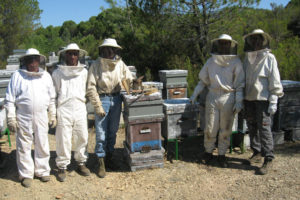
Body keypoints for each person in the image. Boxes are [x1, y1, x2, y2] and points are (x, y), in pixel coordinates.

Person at [190, 34, 245, 167]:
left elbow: (239, 84)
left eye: (226, 43)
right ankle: (208, 152)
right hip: (213, 96)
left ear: (230, 45)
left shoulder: (236, 62)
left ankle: (222, 155)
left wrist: (238, 101)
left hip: (228, 96)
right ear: (217, 45)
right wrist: (194, 94)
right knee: (210, 127)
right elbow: (203, 81)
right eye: (221, 43)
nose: (223, 45)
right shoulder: (210, 61)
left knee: (225, 128)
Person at [5, 48, 56, 188]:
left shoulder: (45, 76)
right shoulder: (17, 76)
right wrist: (11, 117)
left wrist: (52, 113)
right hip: (23, 115)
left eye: (35, 59)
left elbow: (52, 98)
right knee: (24, 145)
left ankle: (43, 170)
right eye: (30, 59)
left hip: (41, 115)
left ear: (39, 60)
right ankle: (26, 174)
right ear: (25, 61)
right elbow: (9, 99)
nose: (33, 62)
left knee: (42, 142)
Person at [87, 38, 133, 178]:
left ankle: (109, 159)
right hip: (102, 99)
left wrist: (130, 84)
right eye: (106, 49)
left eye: (112, 49)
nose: (109, 51)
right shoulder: (95, 65)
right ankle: (100, 162)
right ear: (102, 50)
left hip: (117, 99)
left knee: (113, 131)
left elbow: (129, 78)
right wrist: (97, 105)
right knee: (101, 133)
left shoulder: (120, 64)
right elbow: (90, 87)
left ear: (115, 50)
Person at [243, 29, 283, 175]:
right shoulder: (247, 58)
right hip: (249, 99)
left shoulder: (270, 58)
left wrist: (274, 100)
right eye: (253, 39)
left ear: (263, 41)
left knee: (264, 129)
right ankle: (257, 151)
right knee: (252, 127)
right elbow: (243, 80)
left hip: (263, 100)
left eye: (258, 39)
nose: (255, 42)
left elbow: (274, 80)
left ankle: (268, 158)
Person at [52, 43, 90, 182]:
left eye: (75, 53)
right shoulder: (57, 73)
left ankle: (81, 162)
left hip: (80, 106)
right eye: (70, 53)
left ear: (78, 55)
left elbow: (86, 89)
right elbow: (54, 92)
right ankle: (62, 166)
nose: (73, 56)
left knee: (82, 136)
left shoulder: (84, 72)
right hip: (64, 108)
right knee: (63, 138)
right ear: (65, 55)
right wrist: (53, 112)